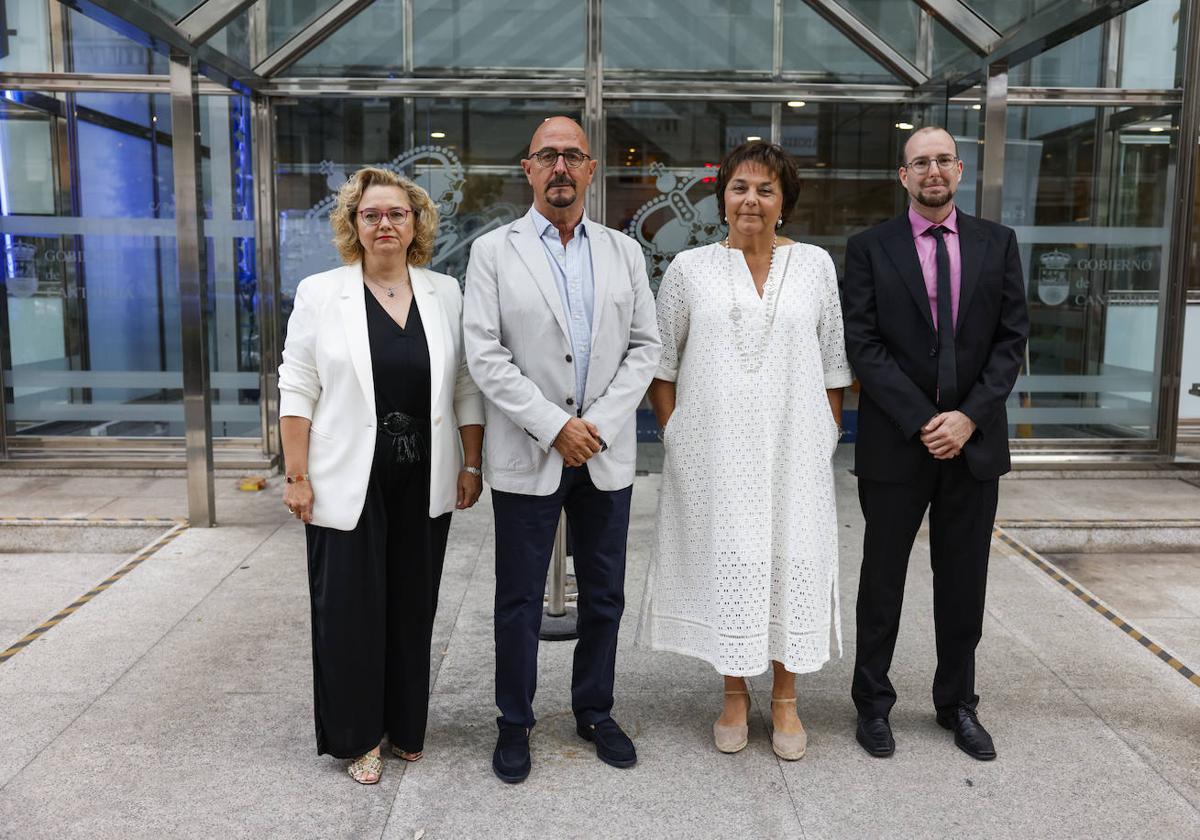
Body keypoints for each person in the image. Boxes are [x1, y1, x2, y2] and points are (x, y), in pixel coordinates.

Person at [636, 141, 852, 760]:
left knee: (790, 561)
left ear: (784, 202)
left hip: (794, 449)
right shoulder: (689, 269)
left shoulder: (814, 266)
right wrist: (676, 433)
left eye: (765, 189)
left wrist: (824, 435)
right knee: (730, 563)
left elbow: (834, 363)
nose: (750, 200)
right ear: (721, 197)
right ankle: (734, 692)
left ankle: (785, 698)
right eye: (739, 188)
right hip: (714, 453)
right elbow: (662, 363)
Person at [463, 116, 661, 784]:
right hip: (530, 451)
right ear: (528, 168)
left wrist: (594, 425)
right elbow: (484, 355)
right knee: (518, 600)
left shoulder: (622, 252)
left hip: (603, 455)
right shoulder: (494, 252)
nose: (560, 167)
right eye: (547, 154)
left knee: (604, 595)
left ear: (592, 169)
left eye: (573, 155)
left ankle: (594, 710)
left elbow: (646, 348)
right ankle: (514, 722)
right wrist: (554, 426)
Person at [278, 166, 485, 784]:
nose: (384, 223)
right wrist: (296, 474)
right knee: (349, 609)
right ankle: (358, 737)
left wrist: (471, 462)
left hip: (424, 475)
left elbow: (467, 385)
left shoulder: (445, 292)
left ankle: (404, 725)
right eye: (371, 214)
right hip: (346, 476)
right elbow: (297, 385)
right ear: (354, 224)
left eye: (397, 213)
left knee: (411, 605)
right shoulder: (321, 293)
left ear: (416, 222)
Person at [843, 126, 1028, 761]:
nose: (933, 171)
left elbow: (1010, 342)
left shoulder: (997, 244)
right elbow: (862, 344)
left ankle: (957, 704)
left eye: (943, 160)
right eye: (920, 162)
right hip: (898, 443)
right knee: (882, 580)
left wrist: (968, 418)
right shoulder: (869, 248)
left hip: (973, 446)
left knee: (962, 583)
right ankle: (872, 702)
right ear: (903, 176)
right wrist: (926, 418)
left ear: (959, 169)